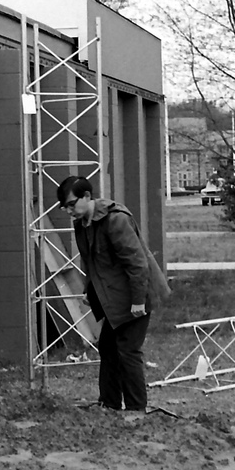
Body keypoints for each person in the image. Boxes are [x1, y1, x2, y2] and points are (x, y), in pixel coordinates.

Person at [57, 175, 170, 411]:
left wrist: (138, 302)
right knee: (108, 346)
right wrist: (90, 290)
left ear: (87, 196)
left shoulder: (116, 219)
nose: (69, 211)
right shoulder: (82, 224)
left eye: (71, 204)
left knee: (127, 350)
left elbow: (137, 263)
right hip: (114, 297)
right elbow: (91, 261)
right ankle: (109, 404)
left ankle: (136, 409)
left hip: (136, 294)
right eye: (65, 207)